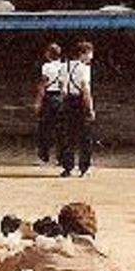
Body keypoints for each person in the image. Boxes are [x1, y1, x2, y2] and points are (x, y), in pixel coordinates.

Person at [56, 41, 96, 177]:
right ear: (83, 54)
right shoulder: (84, 68)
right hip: (79, 102)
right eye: (90, 53)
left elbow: (61, 86)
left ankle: (67, 166)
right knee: (85, 135)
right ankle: (84, 167)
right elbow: (86, 89)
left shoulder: (63, 66)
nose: (91, 56)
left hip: (67, 101)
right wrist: (90, 108)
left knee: (68, 135)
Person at [33, 42, 65, 164]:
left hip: (49, 98)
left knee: (45, 127)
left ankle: (44, 153)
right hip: (61, 98)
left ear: (48, 54)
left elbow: (43, 85)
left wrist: (38, 102)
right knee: (61, 129)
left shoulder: (46, 67)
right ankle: (61, 157)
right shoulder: (64, 66)